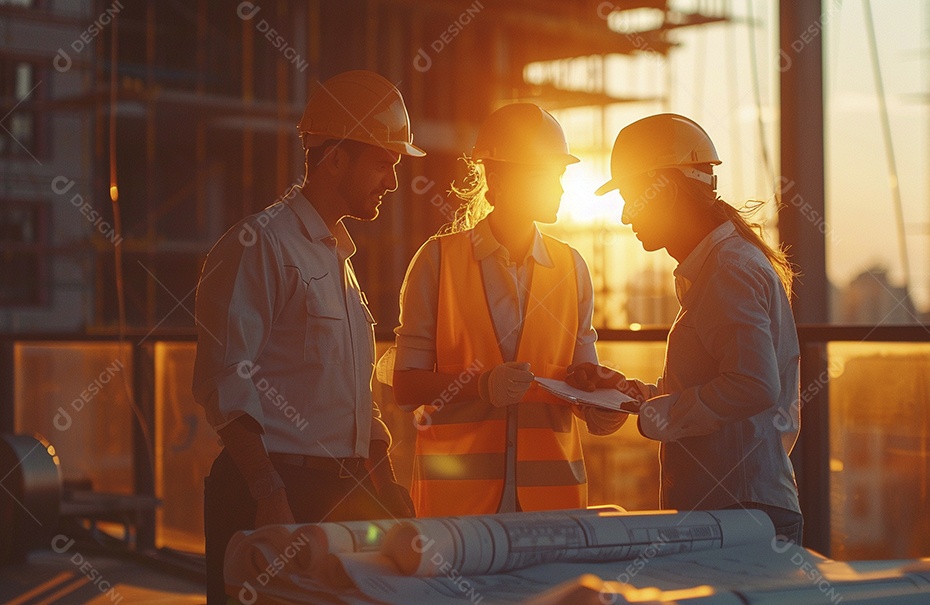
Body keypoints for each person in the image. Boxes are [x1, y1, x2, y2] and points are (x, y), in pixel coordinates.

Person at [191, 70, 423, 604]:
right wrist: (268, 494)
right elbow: (227, 379)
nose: (391, 181)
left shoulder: (336, 257)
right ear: (335, 158)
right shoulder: (261, 245)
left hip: (338, 494)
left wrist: (385, 489)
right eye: (383, 163)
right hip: (273, 491)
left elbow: (354, 400)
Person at [568, 113, 803, 544]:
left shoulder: (728, 270)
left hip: (739, 516)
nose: (624, 216)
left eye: (633, 197)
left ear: (668, 191)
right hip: (734, 510)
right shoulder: (718, 268)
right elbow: (721, 392)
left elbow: (752, 385)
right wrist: (632, 396)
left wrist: (658, 415)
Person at [391, 103, 627, 517]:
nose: (558, 188)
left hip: (553, 510)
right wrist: (479, 387)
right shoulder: (437, 261)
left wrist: (600, 405)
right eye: (543, 175)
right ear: (497, 180)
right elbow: (406, 387)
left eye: (559, 175)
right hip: (459, 510)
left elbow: (580, 379)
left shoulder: (572, 268)